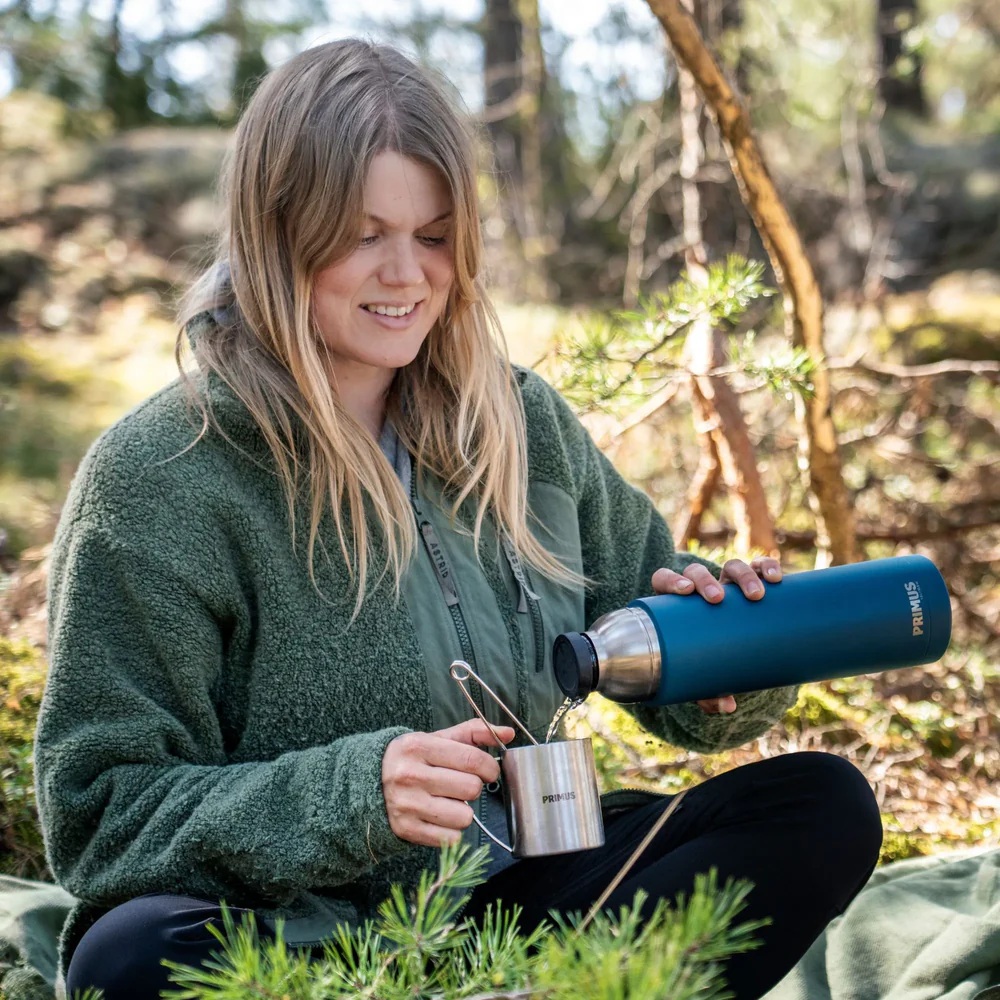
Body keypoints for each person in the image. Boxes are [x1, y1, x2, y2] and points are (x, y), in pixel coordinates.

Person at [35, 38, 882, 1000]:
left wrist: (726, 655)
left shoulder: (519, 423)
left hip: (520, 901)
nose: (406, 275)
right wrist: (353, 794)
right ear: (275, 233)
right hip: (296, 933)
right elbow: (101, 816)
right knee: (129, 958)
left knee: (820, 805)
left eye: (434, 236)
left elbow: (654, 638)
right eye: (363, 236)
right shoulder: (159, 476)